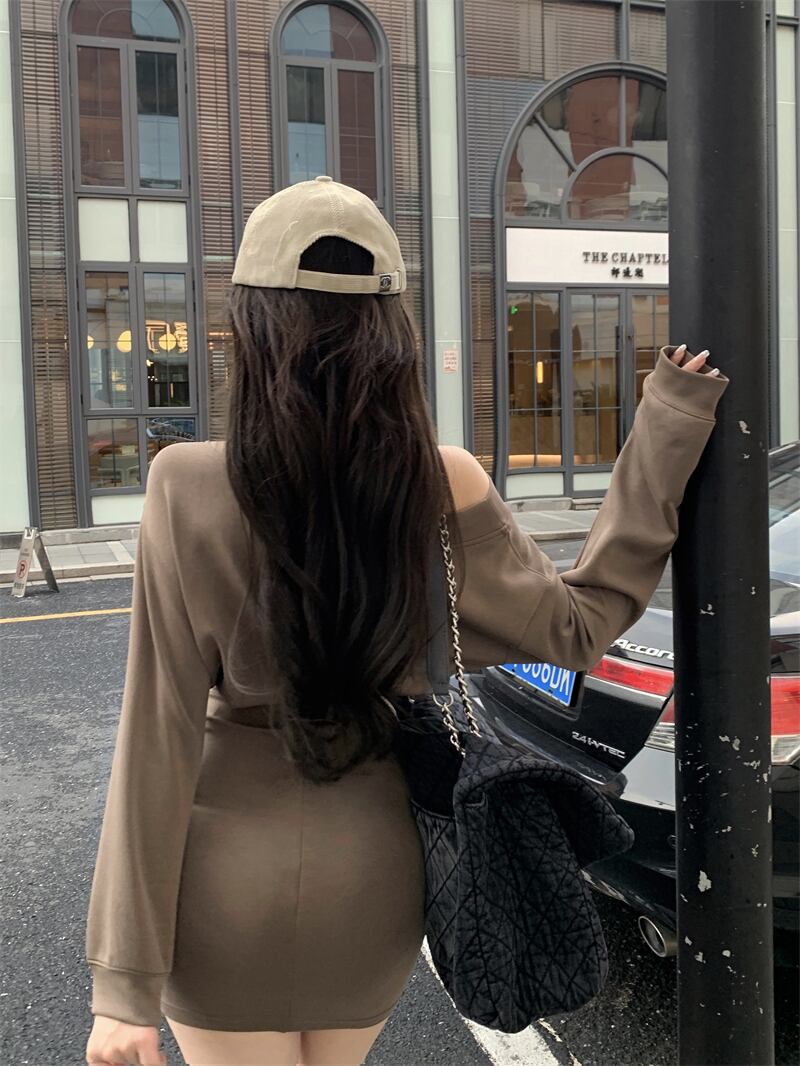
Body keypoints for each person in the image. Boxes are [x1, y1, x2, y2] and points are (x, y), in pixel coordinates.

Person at [84, 177, 728, 1066]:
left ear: (250, 327)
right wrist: (668, 424)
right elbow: (580, 626)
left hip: (222, 881)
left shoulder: (184, 485)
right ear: (393, 334)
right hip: (374, 875)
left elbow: (153, 740)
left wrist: (123, 988)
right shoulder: (440, 479)